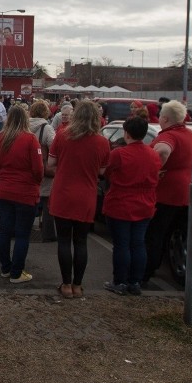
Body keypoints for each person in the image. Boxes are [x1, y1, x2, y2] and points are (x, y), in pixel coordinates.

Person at [47, 100, 110, 299]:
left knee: (64, 241)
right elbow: (102, 171)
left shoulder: (62, 136)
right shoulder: (102, 142)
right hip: (86, 195)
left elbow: (50, 163)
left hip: (63, 193)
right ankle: (77, 285)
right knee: (81, 241)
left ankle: (65, 285)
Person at [102, 117, 161, 295]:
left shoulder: (119, 154)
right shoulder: (153, 154)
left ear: (126, 133)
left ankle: (120, 281)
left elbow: (108, 173)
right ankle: (135, 281)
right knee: (138, 244)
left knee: (121, 244)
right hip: (145, 204)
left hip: (121, 202)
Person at [142, 100, 192, 285]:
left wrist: (153, 169)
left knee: (155, 234)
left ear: (164, 118)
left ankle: (147, 271)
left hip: (166, 193)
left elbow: (163, 151)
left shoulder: (169, 136)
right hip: (185, 192)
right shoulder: (190, 135)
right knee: (172, 234)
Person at [0, 105, 44, 283]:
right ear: (25, 119)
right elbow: (38, 169)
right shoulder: (30, 139)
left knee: (5, 231)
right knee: (22, 234)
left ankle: (5, 268)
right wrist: (35, 182)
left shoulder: (0, 138)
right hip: (26, 193)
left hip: (4, 191)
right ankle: (17, 272)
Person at [28, 100, 57, 242]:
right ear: (46, 112)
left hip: (27, 168)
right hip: (43, 168)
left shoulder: (24, 125)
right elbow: (55, 147)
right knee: (46, 200)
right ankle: (48, 232)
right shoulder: (47, 128)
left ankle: (26, 227)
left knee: (29, 199)